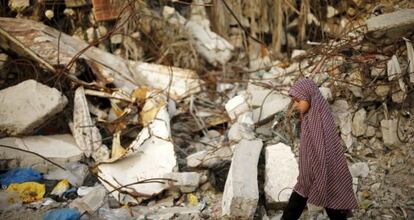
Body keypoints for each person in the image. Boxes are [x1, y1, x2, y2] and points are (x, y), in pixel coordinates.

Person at [282, 79, 358, 220]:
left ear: (309, 97)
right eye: (294, 101)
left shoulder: (317, 118)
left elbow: (320, 148)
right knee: (330, 197)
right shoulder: (310, 115)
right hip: (319, 172)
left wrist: (312, 172)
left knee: (326, 196)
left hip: (324, 168)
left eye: (299, 100)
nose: (296, 105)